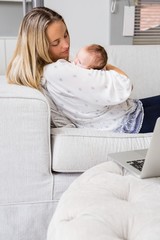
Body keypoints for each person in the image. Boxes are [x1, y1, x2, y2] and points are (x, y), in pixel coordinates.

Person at [6, 6, 160, 133]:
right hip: (128, 121)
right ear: (37, 47)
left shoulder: (40, 74)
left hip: (128, 110)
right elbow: (125, 85)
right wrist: (106, 66)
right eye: (56, 42)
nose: (66, 45)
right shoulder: (57, 71)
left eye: (66, 34)